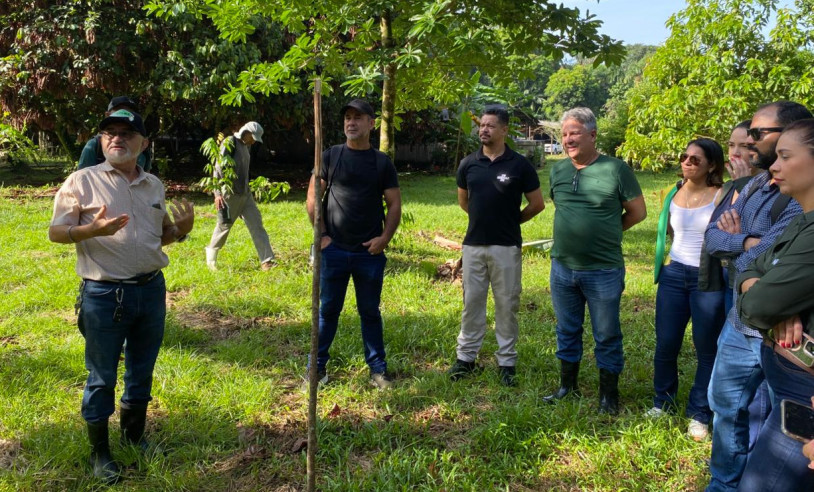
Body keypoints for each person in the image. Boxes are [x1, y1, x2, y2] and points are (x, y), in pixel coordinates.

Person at [48, 109, 194, 484]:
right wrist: (89, 230)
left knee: (142, 370)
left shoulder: (154, 186)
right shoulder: (81, 182)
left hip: (150, 290)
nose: (117, 139)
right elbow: (56, 232)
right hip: (103, 294)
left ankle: (134, 437)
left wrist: (181, 230)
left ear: (143, 144)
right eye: (109, 133)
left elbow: (159, 236)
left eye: (127, 133)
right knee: (101, 376)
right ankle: (100, 452)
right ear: (101, 141)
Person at [703, 101, 812, 492]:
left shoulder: (800, 198)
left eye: (759, 133)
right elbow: (714, 238)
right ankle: (723, 482)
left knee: (766, 420)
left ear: (790, 132)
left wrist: (744, 248)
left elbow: (769, 265)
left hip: (779, 335)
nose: (749, 140)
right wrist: (748, 248)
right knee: (725, 405)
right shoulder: (752, 184)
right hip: (739, 321)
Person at [543, 107, 647, 414]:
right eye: (563, 134)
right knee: (566, 329)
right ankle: (567, 387)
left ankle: (608, 397)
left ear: (592, 134)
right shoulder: (558, 170)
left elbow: (638, 212)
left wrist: (610, 231)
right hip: (562, 267)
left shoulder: (616, 170)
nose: (567, 139)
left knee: (607, 334)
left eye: (574, 132)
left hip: (603, 270)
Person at [735, 118, 814, 490]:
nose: (774, 166)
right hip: (784, 383)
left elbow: (759, 307)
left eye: (784, 156)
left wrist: (767, 296)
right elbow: (746, 267)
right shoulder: (802, 222)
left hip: (804, 394)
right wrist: (756, 283)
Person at [305, 99, 401, 390]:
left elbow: (394, 203)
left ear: (372, 123)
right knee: (327, 312)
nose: (351, 122)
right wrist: (321, 234)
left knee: (370, 312)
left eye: (358, 117)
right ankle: (316, 369)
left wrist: (384, 239)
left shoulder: (381, 162)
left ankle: (378, 370)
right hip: (333, 251)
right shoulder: (331, 156)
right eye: (347, 117)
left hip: (368, 253)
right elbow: (312, 197)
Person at [447, 107, 544, 387]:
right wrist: (482, 221)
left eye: (490, 126)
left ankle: (507, 363)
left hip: (506, 247)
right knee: (471, 304)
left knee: (507, 305)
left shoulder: (519, 165)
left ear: (504, 130)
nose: (484, 130)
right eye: (482, 126)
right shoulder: (468, 164)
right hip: (474, 246)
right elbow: (464, 202)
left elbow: (537, 204)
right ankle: (466, 359)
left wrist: (513, 221)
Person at [649, 138, 726, 440]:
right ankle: (662, 402)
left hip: (707, 278)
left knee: (706, 348)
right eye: (685, 157)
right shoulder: (674, 191)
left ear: (712, 165)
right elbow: (668, 230)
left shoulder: (721, 195)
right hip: (674, 274)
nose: (688, 162)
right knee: (666, 343)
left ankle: (699, 413)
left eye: (696, 159)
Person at [204, 121, 276, 271]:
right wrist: (217, 194)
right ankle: (211, 259)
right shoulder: (230, 142)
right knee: (224, 226)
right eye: (253, 137)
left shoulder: (246, 146)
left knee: (257, 224)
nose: (254, 141)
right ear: (247, 132)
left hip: (245, 194)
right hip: (230, 194)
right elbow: (218, 167)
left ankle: (267, 261)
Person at [78, 96, 152, 172]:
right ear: (107, 115)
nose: (124, 114)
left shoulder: (142, 150)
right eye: (119, 110)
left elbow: (145, 177)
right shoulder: (95, 145)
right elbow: (83, 177)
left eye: (129, 112)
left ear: (144, 144)